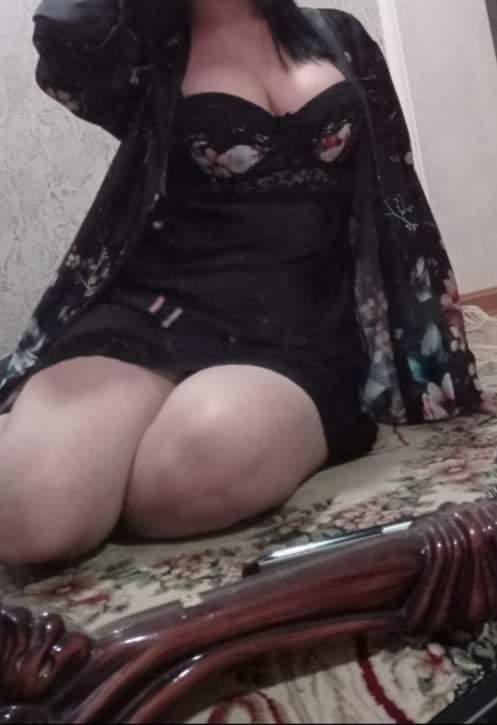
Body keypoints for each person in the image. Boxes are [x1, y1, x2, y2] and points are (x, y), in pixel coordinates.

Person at [0, 0, 488, 565]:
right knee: (30, 519)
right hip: (149, 309)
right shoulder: (140, 52)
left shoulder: (341, 36)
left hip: (297, 332)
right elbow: (65, 32)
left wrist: (430, 357)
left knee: (190, 466)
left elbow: (398, 199)